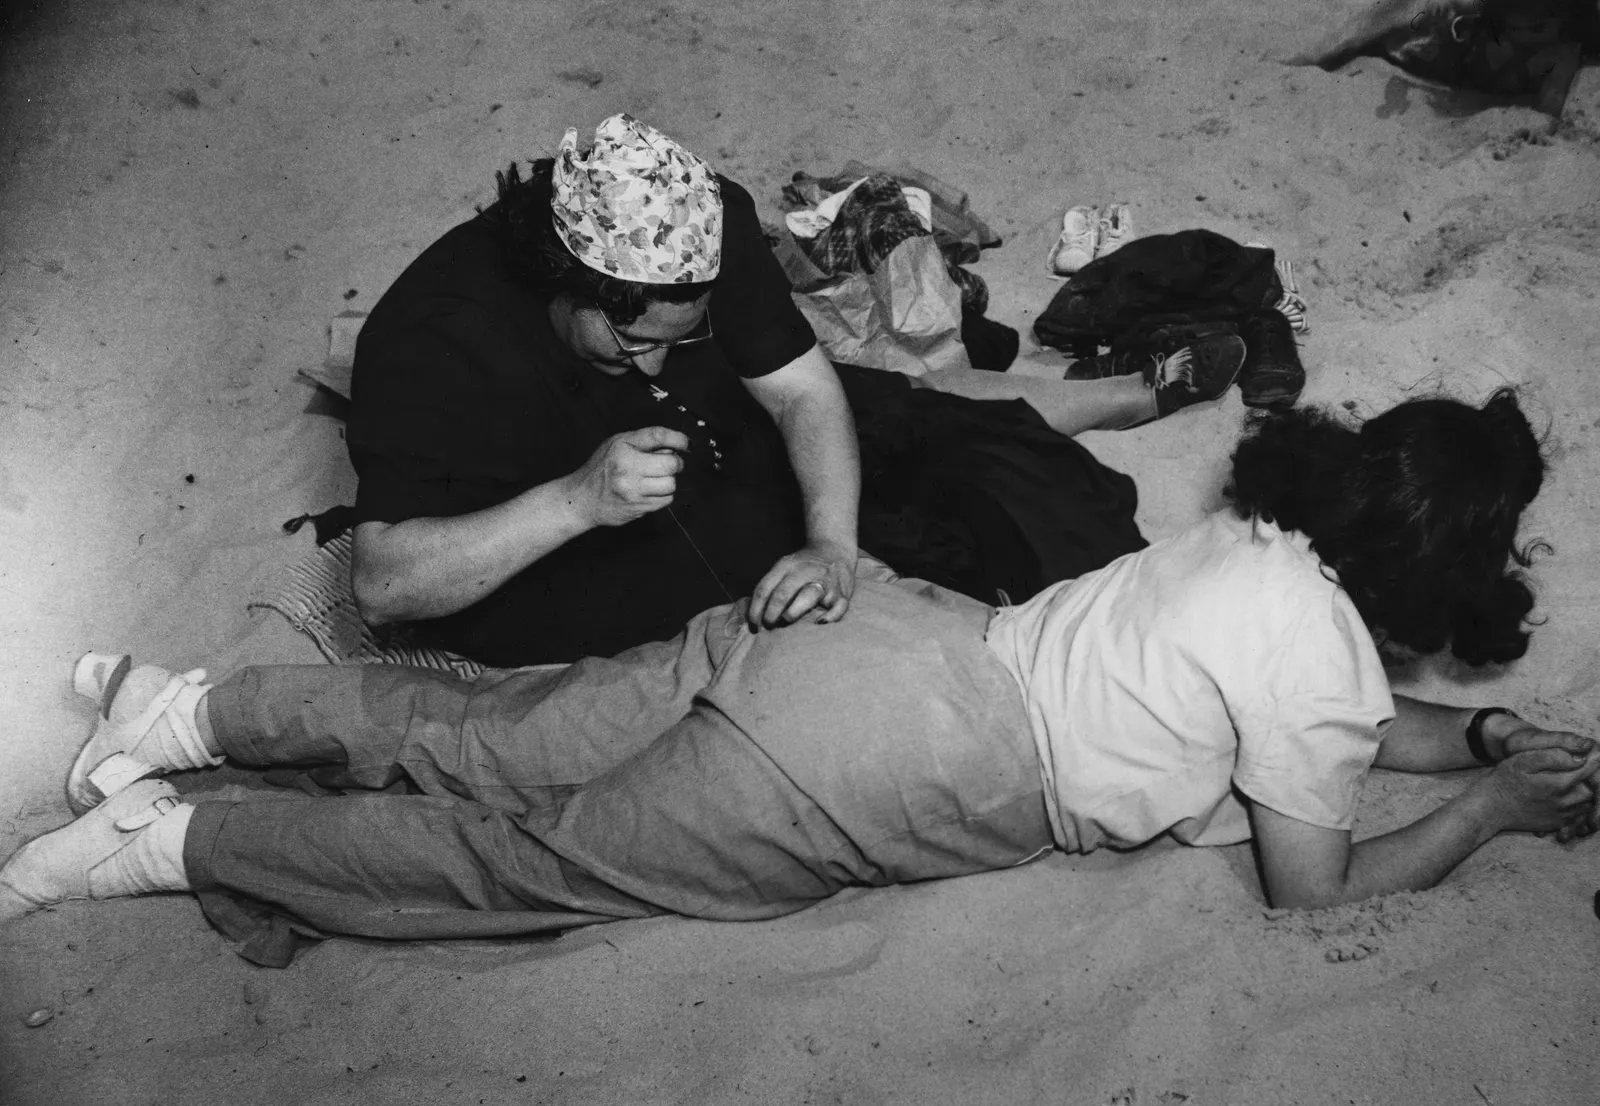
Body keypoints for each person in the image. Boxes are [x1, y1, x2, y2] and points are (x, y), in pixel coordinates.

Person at [22, 392, 1584, 957]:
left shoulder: (1261, 539)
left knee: (499, 728)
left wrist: (1482, 733)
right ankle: (171, 841)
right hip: (905, 769)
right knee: (514, 858)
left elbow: (1350, 724)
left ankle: (189, 708)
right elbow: (1312, 889)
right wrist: (1500, 805)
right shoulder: (1317, 665)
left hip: (879, 635)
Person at [345, 113, 1230, 666]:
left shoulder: (712, 225)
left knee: (942, 438)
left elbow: (804, 392)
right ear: (564, 287)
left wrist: (832, 543)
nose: (656, 363)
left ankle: (1115, 400)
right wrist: (573, 503)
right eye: (630, 342)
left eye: (683, 336)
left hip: (725, 439)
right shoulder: (435, 336)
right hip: (570, 535)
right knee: (801, 632)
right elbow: (384, 588)